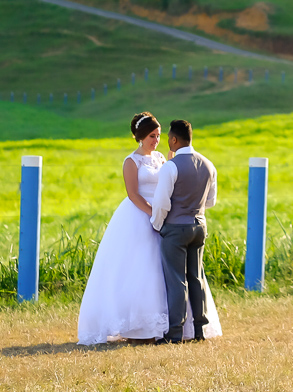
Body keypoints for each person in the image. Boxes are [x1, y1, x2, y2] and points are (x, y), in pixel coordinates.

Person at [77, 113, 222, 345]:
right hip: (140, 214)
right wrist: (154, 215)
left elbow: (171, 188)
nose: (157, 140)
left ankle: (174, 326)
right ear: (140, 137)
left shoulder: (163, 160)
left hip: (166, 217)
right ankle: (139, 327)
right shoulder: (131, 162)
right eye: (152, 136)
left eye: (158, 135)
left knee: (170, 273)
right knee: (141, 270)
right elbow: (133, 194)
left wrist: (165, 215)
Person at [151, 119, 218, 344]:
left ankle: (175, 332)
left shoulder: (171, 167)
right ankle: (199, 330)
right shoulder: (209, 164)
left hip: (176, 228)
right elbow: (211, 202)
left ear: (173, 139)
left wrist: (158, 224)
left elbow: (162, 203)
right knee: (196, 277)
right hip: (199, 225)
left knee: (176, 280)